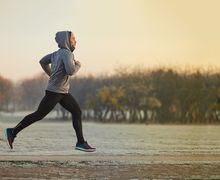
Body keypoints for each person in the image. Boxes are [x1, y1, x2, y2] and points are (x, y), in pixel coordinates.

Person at [4, 31, 96, 152]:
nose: (75, 41)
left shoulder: (56, 54)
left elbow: (42, 61)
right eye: (73, 39)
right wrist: (78, 64)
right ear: (67, 40)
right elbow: (71, 71)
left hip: (62, 92)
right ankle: (12, 131)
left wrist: (51, 73)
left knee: (77, 112)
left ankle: (81, 142)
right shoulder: (67, 54)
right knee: (39, 115)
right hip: (55, 92)